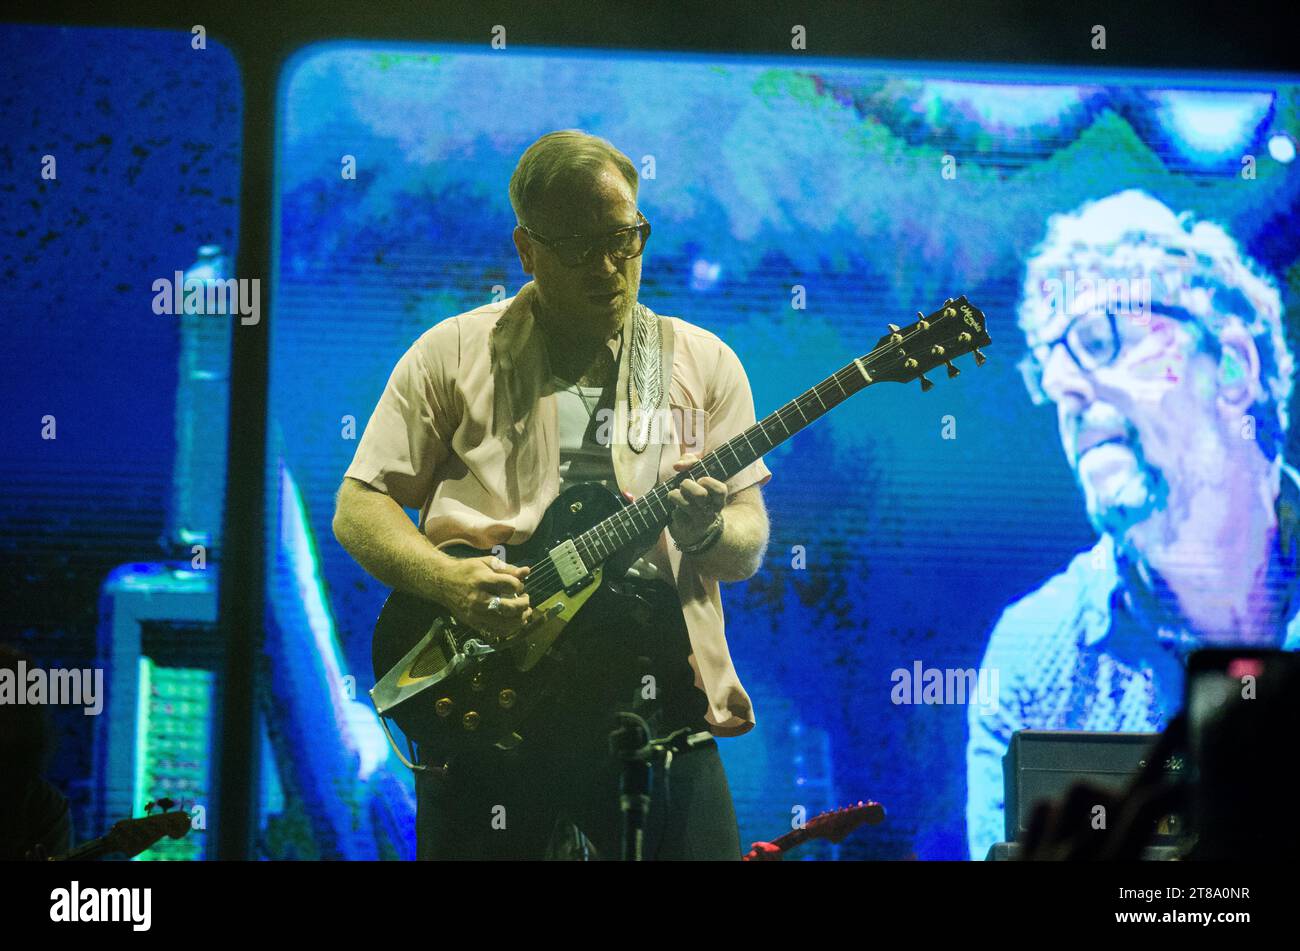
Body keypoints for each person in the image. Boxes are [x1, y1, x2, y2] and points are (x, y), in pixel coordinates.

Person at [333, 129, 772, 859]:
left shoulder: (704, 361)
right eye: (579, 246)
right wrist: (448, 579)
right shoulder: (452, 353)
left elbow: (749, 540)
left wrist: (703, 534)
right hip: (492, 694)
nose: (609, 268)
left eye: (625, 240)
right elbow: (359, 507)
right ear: (527, 250)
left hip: (658, 699)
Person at [966, 190, 1298, 860]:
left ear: (1232, 367)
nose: (1062, 382)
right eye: (1048, 360)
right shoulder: (1031, 653)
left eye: (1099, 338)